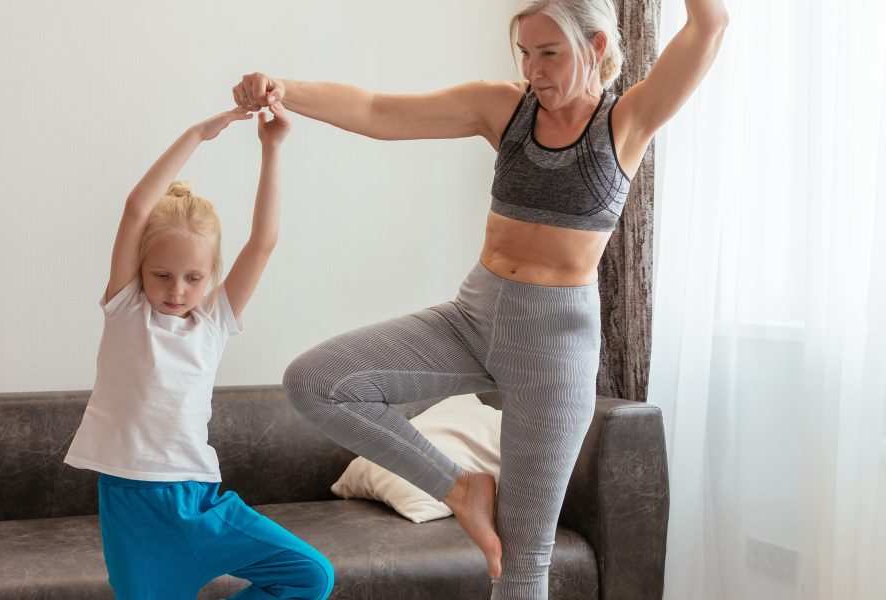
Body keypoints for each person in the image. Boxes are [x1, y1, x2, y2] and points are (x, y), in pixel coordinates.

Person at [233, 0, 726, 598]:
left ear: (596, 48)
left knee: (519, 568)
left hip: (554, 351)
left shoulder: (627, 121)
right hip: (474, 314)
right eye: (525, 52)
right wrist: (286, 89)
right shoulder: (505, 107)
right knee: (316, 381)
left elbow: (710, 24)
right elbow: (379, 112)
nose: (534, 70)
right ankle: (462, 488)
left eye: (550, 54)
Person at [63, 104, 334, 600]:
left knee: (310, 575)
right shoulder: (127, 309)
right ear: (140, 270)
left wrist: (271, 148)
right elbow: (136, 208)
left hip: (201, 502)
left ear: (210, 277)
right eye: (161, 275)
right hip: (133, 509)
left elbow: (264, 242)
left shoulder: (214, 321)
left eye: (194, 278)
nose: (176, 290)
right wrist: (197, 135)